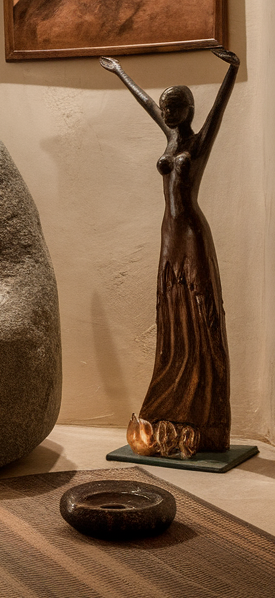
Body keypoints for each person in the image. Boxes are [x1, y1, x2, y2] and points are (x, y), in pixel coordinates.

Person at [100, 48, 239, 458]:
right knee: (172, 314)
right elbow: (145, 101)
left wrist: (233, 70)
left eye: (174, 106)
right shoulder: (170, 137)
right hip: (169, 236)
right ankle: (170, 407)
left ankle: (208, 421)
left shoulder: (196, 143)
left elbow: (219, 109)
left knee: (201, 313)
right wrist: (121, 72)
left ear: (188, 109)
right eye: (165, 107)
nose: (166, 111)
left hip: (192, 235)